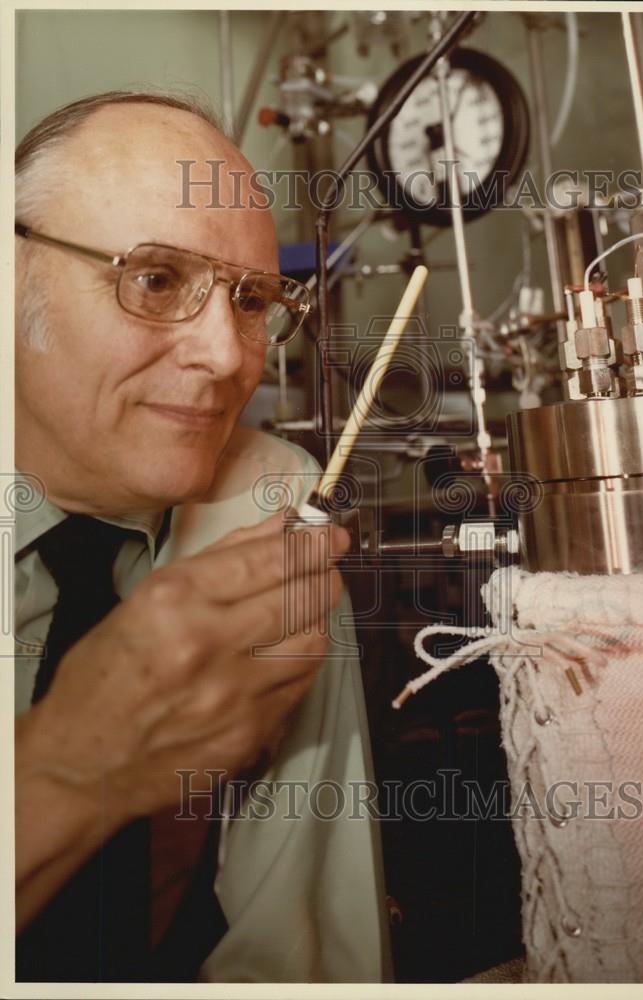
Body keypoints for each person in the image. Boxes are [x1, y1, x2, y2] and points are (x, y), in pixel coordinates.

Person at [13, 91, 390, 983]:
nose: (227, 356)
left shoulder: (270, 498)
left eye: (253, 299)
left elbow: (300, 941)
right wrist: (75, 766)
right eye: (154, 280)